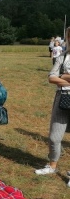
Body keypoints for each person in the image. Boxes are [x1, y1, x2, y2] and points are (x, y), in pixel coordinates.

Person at [35, 27, 70, 176]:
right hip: (62, 99)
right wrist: (65, 77)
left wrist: (63, 76)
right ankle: (52, 165)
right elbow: (51, 78)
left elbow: (58, 78)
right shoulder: (63, 56)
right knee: (54, 137)